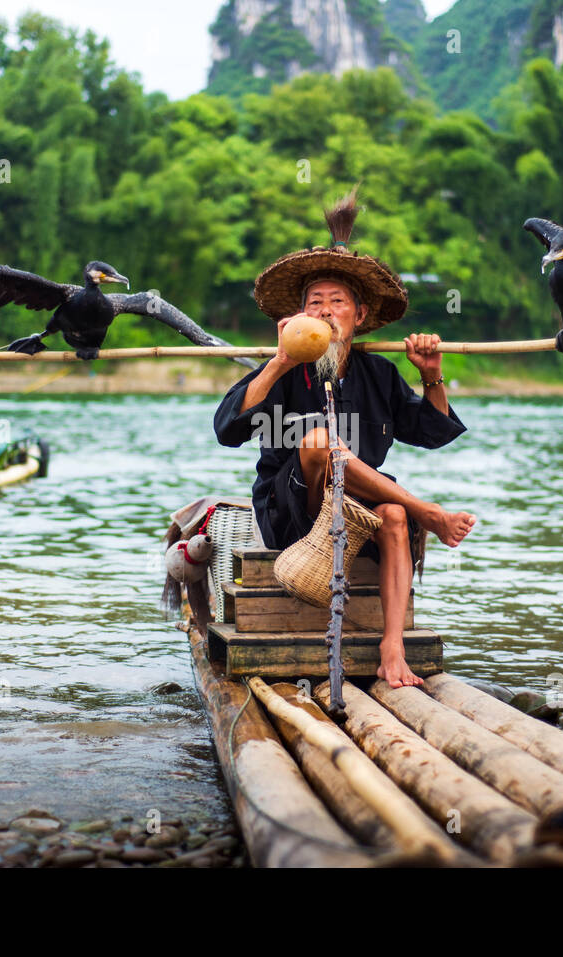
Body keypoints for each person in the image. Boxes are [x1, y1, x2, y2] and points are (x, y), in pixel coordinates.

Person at [213, 191, 475, 688]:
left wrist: (433, 377)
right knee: (315, 442)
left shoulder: (378, 373)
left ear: (359, 314)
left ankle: (392, 648)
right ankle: (430, 513)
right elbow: (228, 429)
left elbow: (434, 432)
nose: (327, 311)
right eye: (316, 303)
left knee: (393, 515)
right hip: (292, 514)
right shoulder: (282, 372)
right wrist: (278, 361)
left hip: (358, 514)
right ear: (300, 317)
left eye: (338, 303)